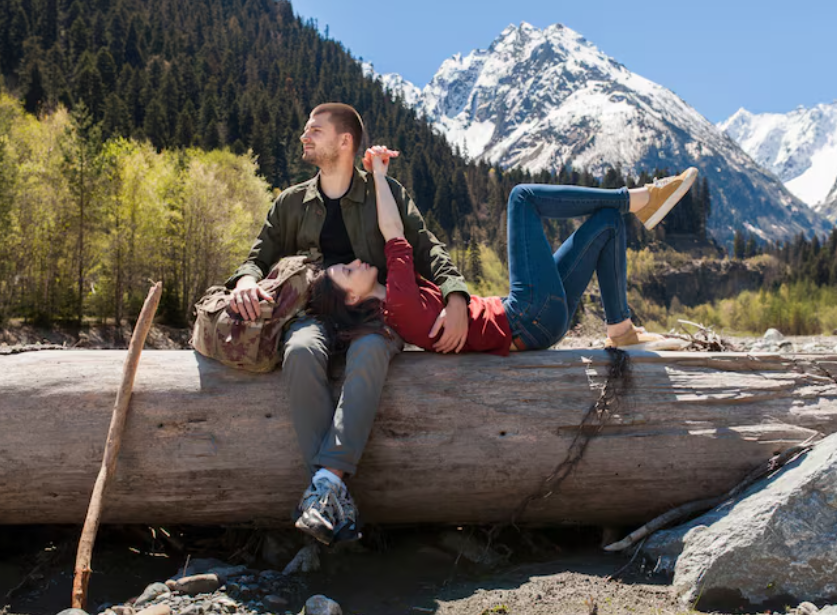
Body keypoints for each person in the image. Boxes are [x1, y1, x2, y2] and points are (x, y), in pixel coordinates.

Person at [225, 105, 470, 546]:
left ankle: (324, 487)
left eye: (315, 131)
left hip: (376, 315)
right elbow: (256, 257)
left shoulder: (384, 190)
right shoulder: (291, 202)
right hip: (311, 315)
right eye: (305, 130)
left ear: (345, 142)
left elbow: (427, 246)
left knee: (370, 352)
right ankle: (332, 494)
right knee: (298, 353)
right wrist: (245, 280)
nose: (305, 137)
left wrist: (455, 296)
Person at [309, 145, 698, 356]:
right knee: (521, 197)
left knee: (608, 225)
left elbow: (400, 235)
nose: (353, 263)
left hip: (533, 319)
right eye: (345, 272)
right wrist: (378, 176)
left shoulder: (400, 301)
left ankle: (621, 330)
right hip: (526, 317)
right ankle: (639, 197)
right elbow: (393, 229)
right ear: (354, 297)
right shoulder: (399, 302)